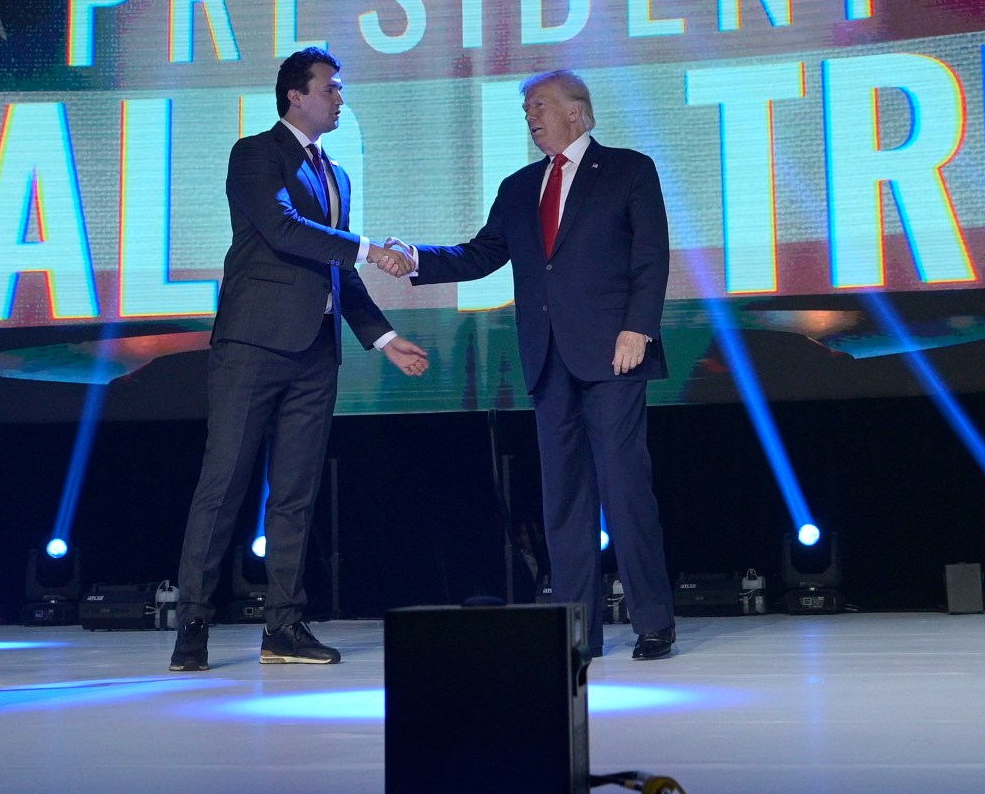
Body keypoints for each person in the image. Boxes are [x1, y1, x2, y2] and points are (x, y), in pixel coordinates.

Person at [393, 70, 677, 660]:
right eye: (527, 107)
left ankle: (654, 622)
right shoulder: (520, 186)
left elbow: (650, 256)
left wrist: (639, 329)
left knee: (626, 489)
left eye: (539, 104)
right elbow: (480, 254)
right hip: (548, 358)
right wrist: (416, 257)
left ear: (578, 111)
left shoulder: (629, 170)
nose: (530, 115)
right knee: (564, 499)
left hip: (613, 354)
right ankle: (578, 629)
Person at [168, 47, 430, 672]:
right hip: (253, 346)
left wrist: (383, 337)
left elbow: (333, 267)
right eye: (331, 89)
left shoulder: (335, 175)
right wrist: (370, 248)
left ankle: (282, 626)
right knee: (224, 483)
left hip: (315, 354)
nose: (340, 98)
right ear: (295, 95)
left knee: (294, 494)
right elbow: (284, 231)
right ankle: (193, 627)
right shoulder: (256, 153)